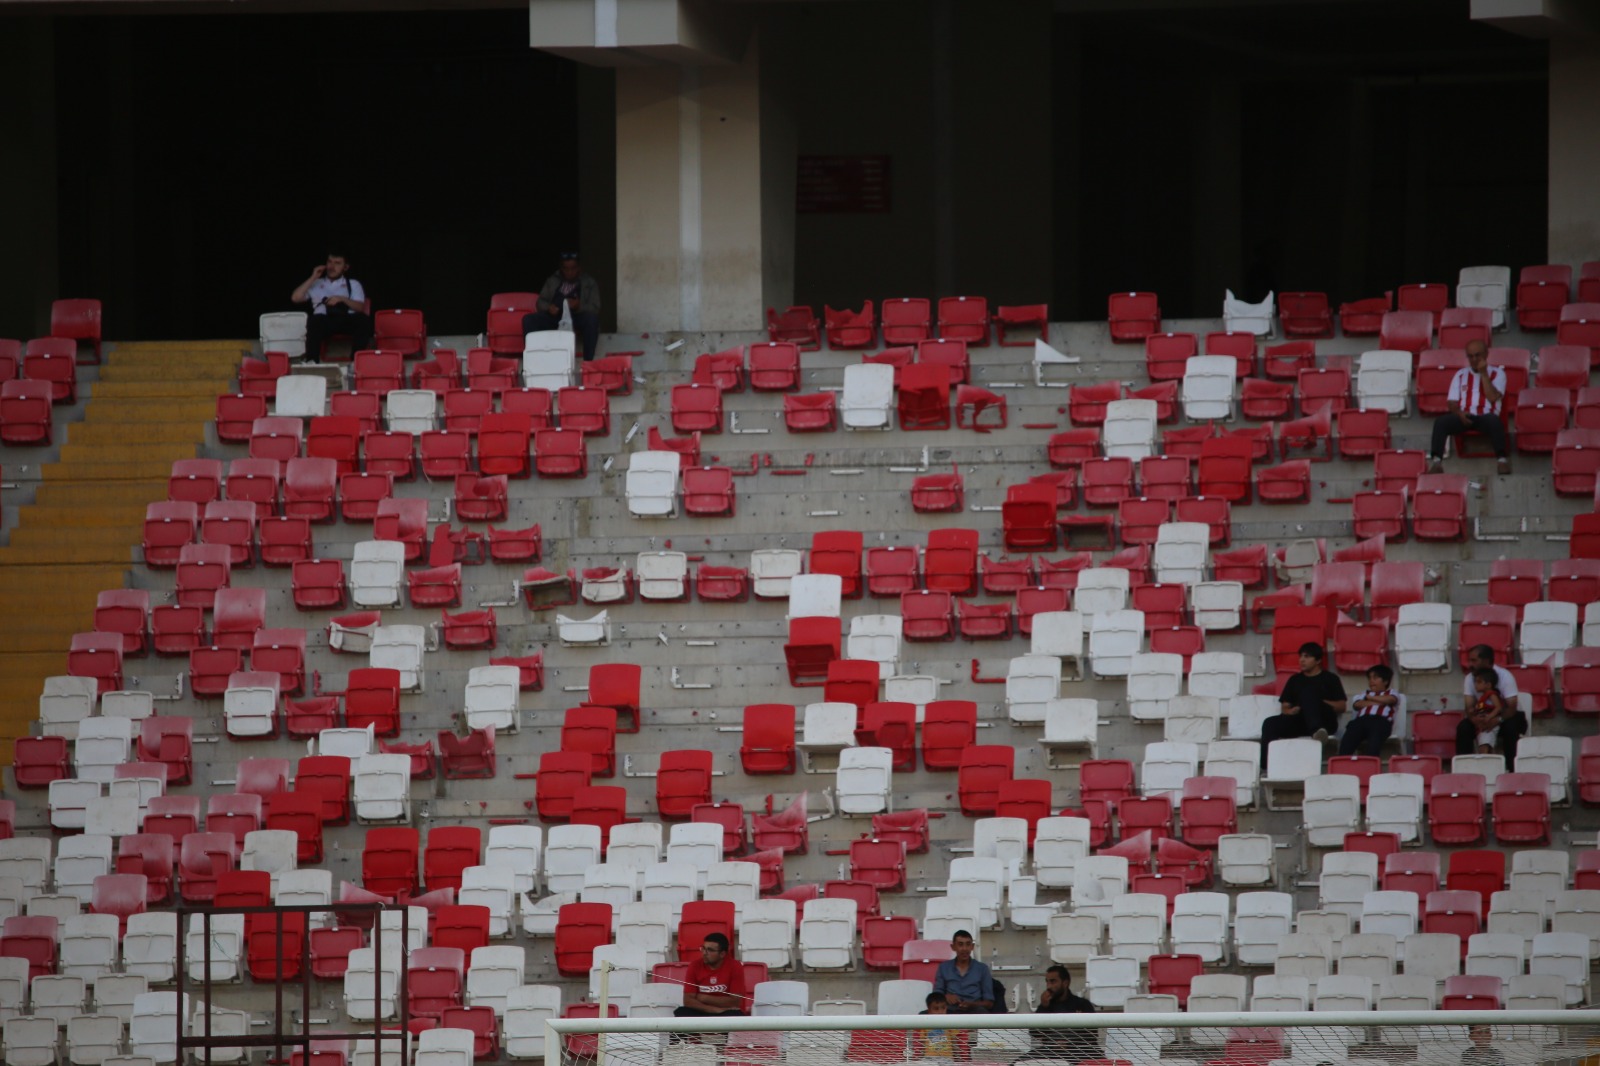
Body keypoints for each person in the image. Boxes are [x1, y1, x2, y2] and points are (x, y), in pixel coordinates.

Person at [1428, 339, 1510, 475]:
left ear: (1486, 354)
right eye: (1470, 356)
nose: (1474, 359)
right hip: (1464, 416)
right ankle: (1437, 462)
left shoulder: (1498, 374)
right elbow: (1451, 402)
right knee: (1441, 422)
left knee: (1495, 422)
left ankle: (1502, 460)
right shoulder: (1460, 375)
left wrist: (1483, 373)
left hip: (1486, 416)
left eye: (1478, 355)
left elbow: (1492, 397)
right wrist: (1459, 413)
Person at [1259, 643, 1347, 765]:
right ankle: (1265, 765)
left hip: (1325, 723)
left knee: (1309, 693)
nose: (1302, 660)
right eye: (1300, 656)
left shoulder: (1331, 679)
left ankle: (1317, 731)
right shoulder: (1295, 680)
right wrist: (1291, 711)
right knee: (1270, 723)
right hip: (1300, 721)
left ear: (1318, 660)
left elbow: (1342, 706)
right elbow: (1285, 706)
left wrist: (1318, 701)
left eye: (1307, 657)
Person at [291, 252, 371, 361]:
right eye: (329, 262)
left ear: (345, 267)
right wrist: (313, 277)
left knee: (363, 320)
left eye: (337, 263)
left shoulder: (353, 284)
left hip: (345, 319)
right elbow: (295, 298)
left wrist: (341, 299)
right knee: (314, 320)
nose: (331, 267)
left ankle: (356, 361)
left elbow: (360, 307)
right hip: (323, 320)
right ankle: (312, 361)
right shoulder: (316, 283)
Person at [523, 251, 602, 362]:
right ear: (561, 269)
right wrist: (549, 308)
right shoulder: (552, 280)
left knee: (592, 320)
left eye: (573, 268)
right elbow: (540, 302)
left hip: (577, 317)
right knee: (529, 320)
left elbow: (595, 307)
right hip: (555, 316)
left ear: (579, 268)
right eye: (566, 268)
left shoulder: (589, 282)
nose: (570, 272)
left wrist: (579, 306)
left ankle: (588, 363)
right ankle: (532, 360)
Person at [1455, 645, 1524, 757]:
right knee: (1464, 727)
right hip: (1483, 716)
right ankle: (1464, 768)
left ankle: (1513, 769)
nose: (1470, 665)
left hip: (1508, 717)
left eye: (1474, 660)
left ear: (1487, 661)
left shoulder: (1505, 676)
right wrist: (1476, 720)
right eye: (1469, 660)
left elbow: (1511, 708)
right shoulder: (1469, 678)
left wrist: (1497, 720)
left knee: (1510, 728)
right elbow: (1469, 707)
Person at [1027, 965, 1097, 1061]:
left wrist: (1069, 1043)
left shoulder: (1082, 1004)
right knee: (1020, 1062)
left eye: (1053, 981)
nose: (1049, 986)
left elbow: (1091, 1035)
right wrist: (1044, 1007)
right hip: (1050, 1052)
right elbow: (1035, 1033)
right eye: (1047, 982)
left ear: (1065, 983)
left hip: (1080, 1051)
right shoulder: (1046, 1005)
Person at [673, 932, 748, 1019]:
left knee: (736, 1015)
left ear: (722, 954)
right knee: (681, 1012)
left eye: (710, 950)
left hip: (726, 1013)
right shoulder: (694, 966)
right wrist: (714, 1009)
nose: (704, 953)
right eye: (703, 948)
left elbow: (735, 1002)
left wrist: (703, 998)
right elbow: (688, 1001)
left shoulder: (735, 966)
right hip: (705, 1011)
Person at [1339, 664, 1400, 757]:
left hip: (1380, 721)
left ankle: (1372, 763)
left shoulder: (1391, 692)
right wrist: (1380, 701)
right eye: (1370, 678)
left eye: (1375, 678)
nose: (1371, 681)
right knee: (1349, 735)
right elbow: (1357, 705)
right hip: (1362, 720)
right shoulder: (1364, 693)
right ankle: (1342, 761)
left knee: (1374, 741)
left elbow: (1390, 700)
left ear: (1386, 681)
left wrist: (1370, 698)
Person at [932, 931, 994, 1014]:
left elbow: (989, 1003)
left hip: (975, 1011)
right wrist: (946, 996)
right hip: (950, 1010)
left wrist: (971, 1004)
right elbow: (936, 996)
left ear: (972, 947)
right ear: (953, 947)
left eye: (968, 944)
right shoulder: (944, 967)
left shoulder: (982, 969)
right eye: (960, 944)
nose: (964, 948)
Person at [911, 992, 968, 1060]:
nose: (940, 1011)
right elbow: (922, 1044)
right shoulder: (925, 1025)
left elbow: (954, 1042)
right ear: (929, 1010)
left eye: (943, 1008)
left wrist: (958, 1058)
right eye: (936, 1009)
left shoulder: (950, 1023)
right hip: (929, 1058)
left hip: (947, 1058)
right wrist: (919, 1058)